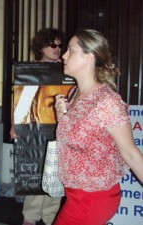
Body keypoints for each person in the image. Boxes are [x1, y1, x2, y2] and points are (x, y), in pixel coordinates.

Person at [54, 28, 143, 225]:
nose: (63, 55)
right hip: (75, 193)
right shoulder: (74, 93)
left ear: (89, 57)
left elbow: (131, 153)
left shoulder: (107, 101)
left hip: (93, 198)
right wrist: (62, 118)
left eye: (70, 50)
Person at [10, 28, 65, 225]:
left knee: (56, 170)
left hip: (59, 126)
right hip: (35, 125)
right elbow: (21, 99)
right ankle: (31, 216)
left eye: (60, 45)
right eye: (53, 45)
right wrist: (14, 125)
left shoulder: (65, 68)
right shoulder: (31, 69)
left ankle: (51, 215)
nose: (57, 49)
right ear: (41, 47)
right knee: (35, 169)